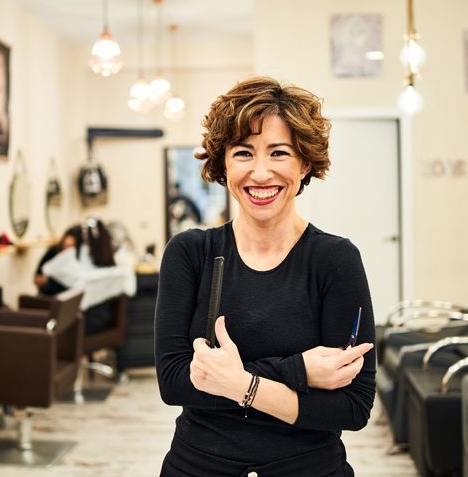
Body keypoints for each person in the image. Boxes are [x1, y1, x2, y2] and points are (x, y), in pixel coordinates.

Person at [155, 76, 376, 476]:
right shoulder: (189, 254)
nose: (260, 173)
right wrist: (300, 373)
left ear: (305, 162)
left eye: (278, 153)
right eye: (243, 153)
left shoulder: (335, 260)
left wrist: (235, 382)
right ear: (223, 163)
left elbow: (353, 406)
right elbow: (174, 382)